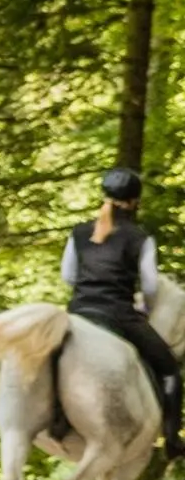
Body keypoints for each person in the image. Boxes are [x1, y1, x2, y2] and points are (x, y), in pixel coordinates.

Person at [65, 168, 181, 458]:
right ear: (134, 202)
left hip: (77, 312)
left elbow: (68, 276)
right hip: (117, 312)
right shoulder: (139, 238)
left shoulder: (79, 232)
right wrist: (144, 306)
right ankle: (171, 440)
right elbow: (151, 286)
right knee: (169, 370)